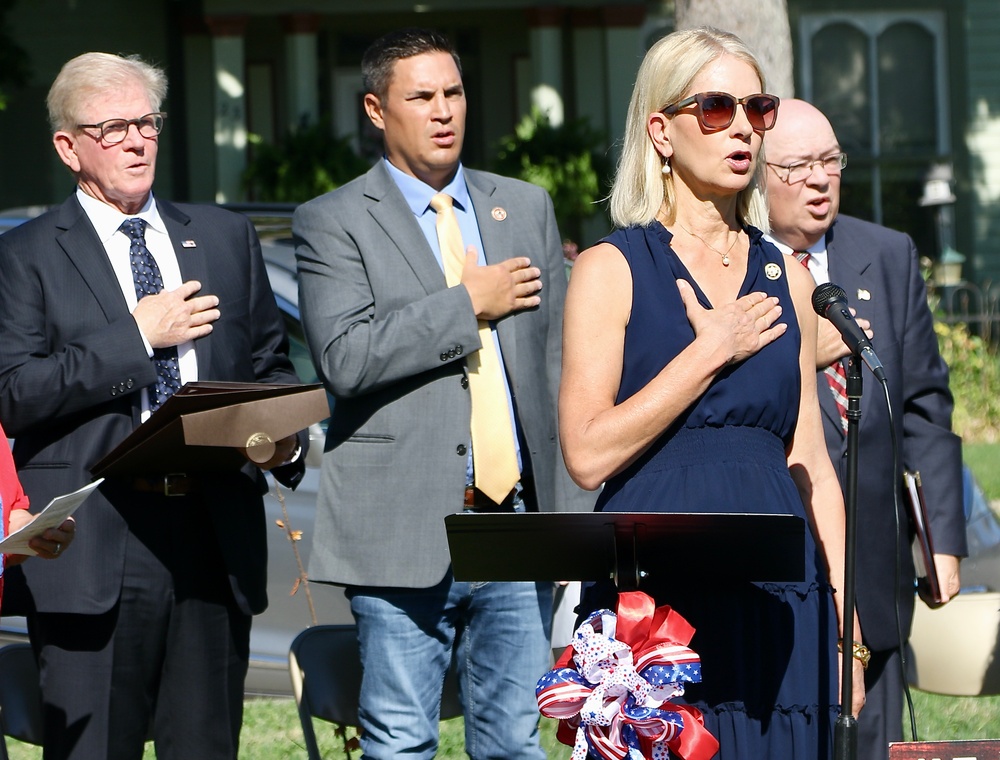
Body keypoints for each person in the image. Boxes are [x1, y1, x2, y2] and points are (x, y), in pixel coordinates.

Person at [559, 27, 866, 759]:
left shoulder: (788, 275)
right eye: (716, 108)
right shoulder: (611, 268)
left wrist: (848, 630)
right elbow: (586, 452)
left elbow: (813, 466)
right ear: (661, 131)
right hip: (658, 604)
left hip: (779, 598)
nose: (742, 129)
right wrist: (709, 352)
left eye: (756, 110)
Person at [294, 27, 592, 760]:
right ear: (375, 109)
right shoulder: (333, 221)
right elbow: (345, 358)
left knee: (515, 742)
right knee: (399, 742)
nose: (442, 110)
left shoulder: (521, 206)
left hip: (515, 525)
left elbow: (556, 366)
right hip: (399, 528)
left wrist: (572, 518)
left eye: (452, 93)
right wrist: (468, 304)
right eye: (420, 96)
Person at [0, 52, 307, 760]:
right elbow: (15, 394)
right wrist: (138, 336)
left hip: (212, 532)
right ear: (68, 147)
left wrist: (280, 440)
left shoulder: (225, 238)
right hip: (95, 542)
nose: (138, 140)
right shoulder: (28, 256)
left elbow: (268, 368)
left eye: (147, 122)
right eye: (113, 128)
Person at [764, 98, 967, 760]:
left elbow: (925, 407)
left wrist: (941, 539)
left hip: (877, 567)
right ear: (759, 173)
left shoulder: (886, 253)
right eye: (798, 165)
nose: (820, 179)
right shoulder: (738, 264)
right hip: (780, 562)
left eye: (830, 161)